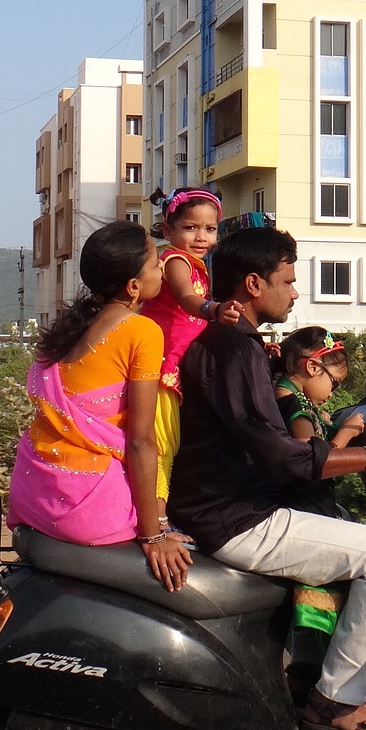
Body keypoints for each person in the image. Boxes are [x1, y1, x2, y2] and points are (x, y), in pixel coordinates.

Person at [168, 226, 366, 730]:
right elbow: (282, 455)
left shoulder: (232, 344)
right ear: (254, 284)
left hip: (224, 506)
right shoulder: (236, 350)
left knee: (353, 537)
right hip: (239, 517)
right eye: (287, 281)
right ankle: (337, 700)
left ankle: (309, 672)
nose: (294, 292)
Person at [6, 220, 193, 592]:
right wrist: (153, 535)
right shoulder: (142, 331)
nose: (163, 268)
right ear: (133, 287)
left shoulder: (72, 328)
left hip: (33, 494)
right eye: (155, 263)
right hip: (84, 507)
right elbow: (140, 441)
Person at [141, 189, 242, 522]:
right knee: (161, 448)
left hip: (173, 371)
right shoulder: (176, 261)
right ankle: (156, 524)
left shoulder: (197, 264)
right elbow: (186, 299)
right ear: (168, 231)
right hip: (160, 369)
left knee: (169, 447)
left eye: (210, 229)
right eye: (190, 228)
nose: (201, 237)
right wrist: (214, 309)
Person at [273, 326, 366, 519]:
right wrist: (346, 433)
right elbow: (312, 463)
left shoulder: (281, 397)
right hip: (307, 511)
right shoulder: (295, 407)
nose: (331, 394)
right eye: (334, 383)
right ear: (313, 367)